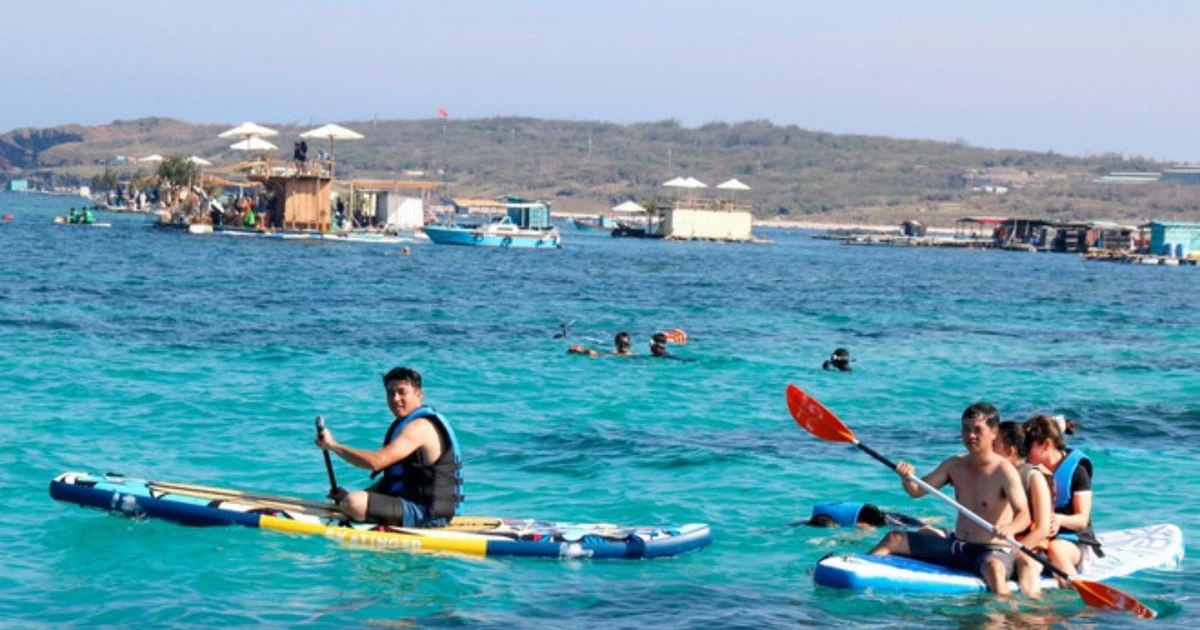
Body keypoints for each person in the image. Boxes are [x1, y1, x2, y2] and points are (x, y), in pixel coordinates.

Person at [866, 403, 1031, 595]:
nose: (971, 435)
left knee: (994, 570)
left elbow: (1024, 515)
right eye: (966, 429)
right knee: (893, 538)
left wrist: (1009, 529)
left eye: (978, 430)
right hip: (957, 547)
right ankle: (856, 572)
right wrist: (906, 477)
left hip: (991, 551)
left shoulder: (1004, 471)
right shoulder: (954, 465)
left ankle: (1007, 618)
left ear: (994, 432)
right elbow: (917, 491)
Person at [315, 367, 463, 527]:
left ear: (419, 394)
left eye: (402, 392)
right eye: (390, 393)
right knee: (352, 499)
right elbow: (394, 480)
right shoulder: (405, 424)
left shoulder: (421, 427)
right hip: (413, 506)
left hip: (428, 514)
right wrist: (349, 497)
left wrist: (332, 445)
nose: (395, 398)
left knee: (354, 503)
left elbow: (375, 462)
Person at [1023, 414, 1100, 582]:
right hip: (1041, 537)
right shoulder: (1030, 470)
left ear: (1047, 445)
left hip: (1073, 541)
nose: (1025, 455)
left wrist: (1057, 519)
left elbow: (1081, 520)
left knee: (1056, 549)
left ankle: (1073, 593)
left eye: (1028, 449)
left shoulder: (1078, 472)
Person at [994, 421, 1053, 597]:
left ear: (1010, 451)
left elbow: (1042, 528)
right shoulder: (991, 473)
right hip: (998, 543)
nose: (988, 449)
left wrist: (1017, 551)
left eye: (994, 445)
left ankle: (1032, 610)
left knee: (1025, 562)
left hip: (1030, 546)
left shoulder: (1032, 477)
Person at [795, 501, 925, 528]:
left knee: (919, 526)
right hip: (887, 515)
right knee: (918, 523)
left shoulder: (863, 525)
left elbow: (868, 529)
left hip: (884, 521)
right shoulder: (823, 510)